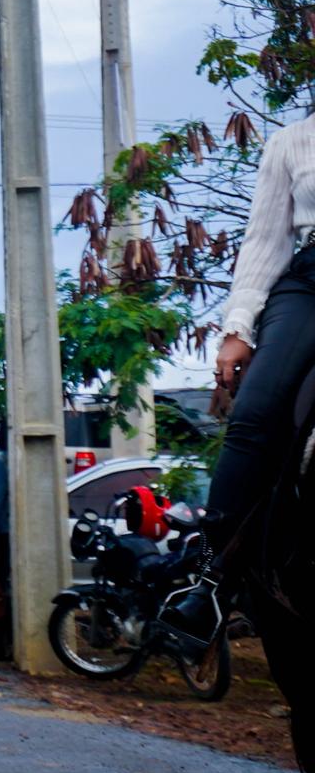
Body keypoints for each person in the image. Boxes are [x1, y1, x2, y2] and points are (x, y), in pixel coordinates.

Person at [163, 114, 315, 655]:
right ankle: (212, 582)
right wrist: (238, 328)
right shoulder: (291, 142)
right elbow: (265, 243)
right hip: (309, 285)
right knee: (255, 413)